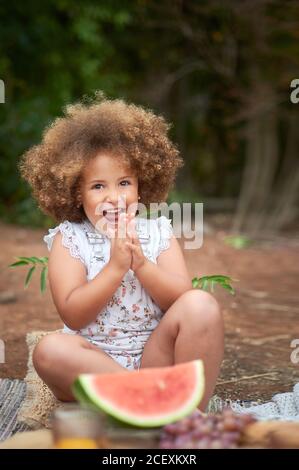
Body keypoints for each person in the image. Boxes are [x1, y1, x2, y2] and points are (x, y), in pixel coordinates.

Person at [19, 94, 224, 411]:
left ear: (141, 186)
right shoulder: (70, 239)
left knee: (202, 305)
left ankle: (188, 416)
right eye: (98, 186)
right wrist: (115, 267)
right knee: (48, 351)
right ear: (76, 193)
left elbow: (180, 298)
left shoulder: (157, 233)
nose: (114, 197)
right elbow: (73, 314)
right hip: (94, 362)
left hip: (155, 358)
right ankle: (153, 402)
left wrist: (141, 264)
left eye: (124, 182)